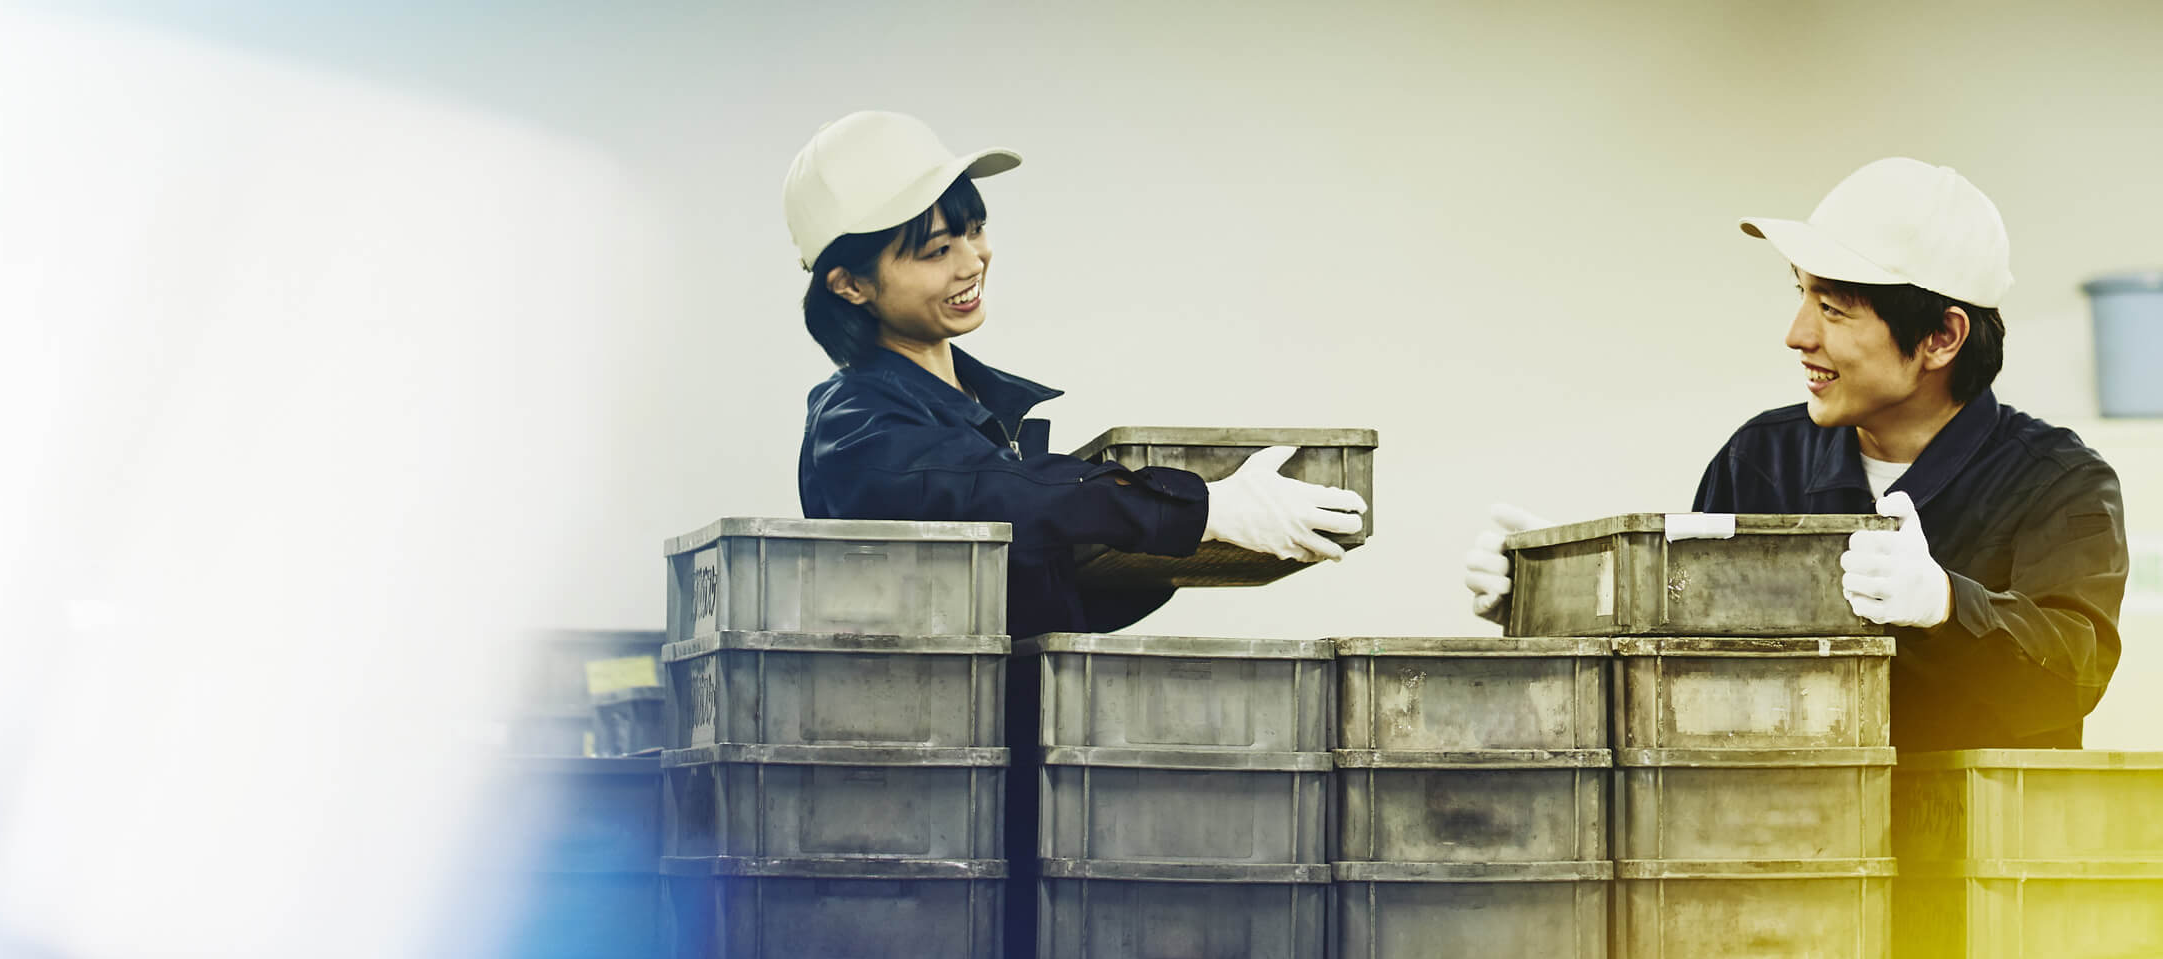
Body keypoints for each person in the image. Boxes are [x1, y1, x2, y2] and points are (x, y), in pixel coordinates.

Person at [1463, 157, 2129, 752]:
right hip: (1779, 864)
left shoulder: (2059, 483)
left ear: (1941, 337)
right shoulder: (1760, 459)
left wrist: (1946, 606)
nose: (1797, 335)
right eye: (1801, 294)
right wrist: (1551, 602)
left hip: (1962, 873)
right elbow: (1671, 675)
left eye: (1834, 309)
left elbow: (2073, 677)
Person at [786, 110, 1363, 639]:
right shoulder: (857, 427)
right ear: (850, 284)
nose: (972, 261)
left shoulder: (978, 411)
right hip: (934, 746)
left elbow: (1045, 602)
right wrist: (1200, 509)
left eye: (975, 229)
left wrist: (1200, 547)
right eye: (936, 251)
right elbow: (991, 494)